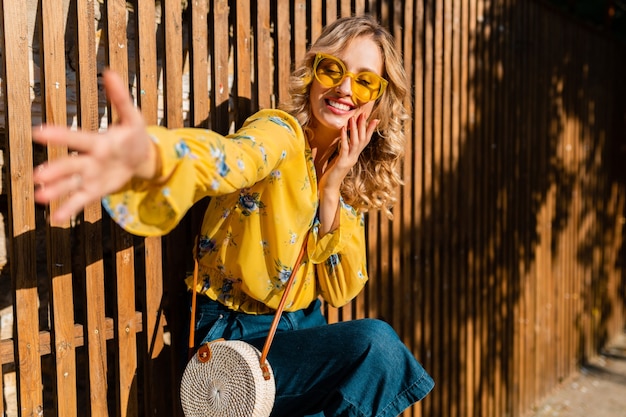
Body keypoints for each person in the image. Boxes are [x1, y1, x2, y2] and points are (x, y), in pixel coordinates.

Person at [33, 14, 434, 417]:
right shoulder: (280, 133)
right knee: (377, 346)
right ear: (313, 73)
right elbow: (231, 158)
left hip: (299, 329)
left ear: (378, 99)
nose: (345, 88)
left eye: (365, 81)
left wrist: (332, 188)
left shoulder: (344, 171)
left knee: (370, 370)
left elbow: (341, 288)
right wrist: (155, 155)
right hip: (234, 334)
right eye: (333, 69)